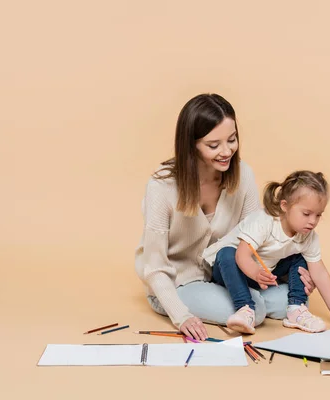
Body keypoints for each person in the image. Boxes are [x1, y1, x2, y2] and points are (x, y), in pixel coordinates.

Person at [135, 93, 316, 340]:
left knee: (292, 298)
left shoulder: (243, 175)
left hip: (228, 274)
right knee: (258, 309)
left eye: (232, 140)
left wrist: (299, 274)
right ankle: (240, 304)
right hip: (178, 283)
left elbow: (257, 241)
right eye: (213, 145)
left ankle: (261, 301)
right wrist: (181, 316)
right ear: (191, 145)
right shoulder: (162, 186)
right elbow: (154, 266)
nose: (227, 151)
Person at [202, 170, 330, 334]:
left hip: (264, 274)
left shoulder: (308, 236)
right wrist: (255, 272)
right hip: (230, 269)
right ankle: (245, 309)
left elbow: (319, 272)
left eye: (318, 215)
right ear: (284, 206)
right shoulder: (264, 221)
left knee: (302, 258)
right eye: (306, 214)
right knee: (226, 253)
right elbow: (241, 254)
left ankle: (296, 308)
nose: (313, 221)